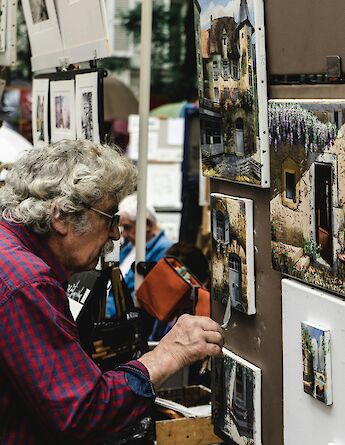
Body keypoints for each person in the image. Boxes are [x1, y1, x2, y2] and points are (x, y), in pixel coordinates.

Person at [0, 139, 224, 444]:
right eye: (109, 217)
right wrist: (169, 353)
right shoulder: (29, 283)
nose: (116, 233)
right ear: (61, 217)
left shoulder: (10, 251)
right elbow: (82, 415)